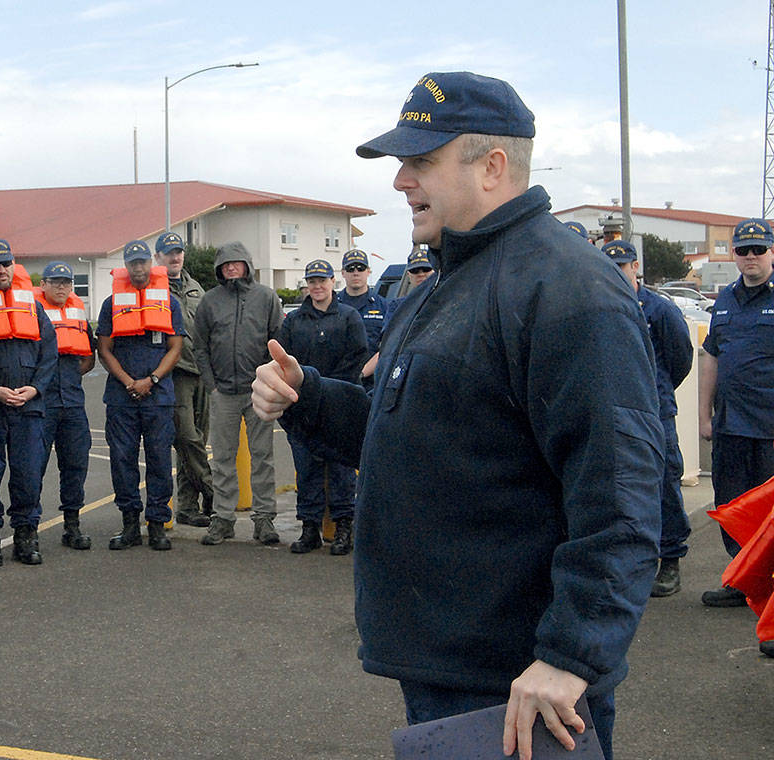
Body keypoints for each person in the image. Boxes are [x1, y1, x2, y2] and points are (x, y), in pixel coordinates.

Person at [250, 72, 661, 760]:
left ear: (493, 167)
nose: (400, 182)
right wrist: (309, 397)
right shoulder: (442, 282)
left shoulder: (566, 289)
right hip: (450, 663)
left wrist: (570, 655)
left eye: (421, 162)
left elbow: (621, 494)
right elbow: (413, 434)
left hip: (522, 681)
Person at [603, 240, 694, 597]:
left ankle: (670, 560)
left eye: (623, 266)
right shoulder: (605, 305)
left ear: (635, 266)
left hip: (655, 412)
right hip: (620, 413)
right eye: (611, 267)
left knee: (665, 485)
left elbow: (680, 357)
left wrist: (659, 392)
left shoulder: (659, 309)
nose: (618, 272)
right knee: (624, 490)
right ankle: (635, 565)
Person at [0, 240, 57, 567]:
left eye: (6, 263)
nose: (1, 270)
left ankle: (26, 533)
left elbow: (49, 353)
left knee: (28, 473)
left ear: (14, 264)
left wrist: (35, 388)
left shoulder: (33, 305)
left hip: (29, 406)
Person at [698, 218, 774, 608]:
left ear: (771, 252)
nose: (750, 258)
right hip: (731, 424)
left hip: (769, 428)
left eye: (758, 250)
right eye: (742, 251)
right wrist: (704, 417)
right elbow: (711, 357)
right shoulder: (724, 300)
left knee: (769, 513)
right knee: (732, 506)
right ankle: (744, 579)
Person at [275, 259, 368, 555]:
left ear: (332, 282)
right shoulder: (293, 321)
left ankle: (343, 527)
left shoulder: (349, 316)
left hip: (339, 405)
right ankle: (309, 528)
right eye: (312, 281)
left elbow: (357, 357)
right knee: (306, 469)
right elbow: (284, 360)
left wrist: (330, 390)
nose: (317, 286)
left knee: (341, 469)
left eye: (322, 280)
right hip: (303, 406)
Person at [194, 241, 284, 546]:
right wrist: (212, 385)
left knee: (263, 456)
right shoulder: (209, 301)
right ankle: (223, 517)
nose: (231, 267)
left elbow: (277, 342)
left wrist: (270, 381)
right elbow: (200, 347)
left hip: (258, 390)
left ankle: (264, 519)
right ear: (219, 269)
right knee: (222, 458)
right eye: (225, 264)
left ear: (247, 265)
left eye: (237, 262)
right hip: (223, 393)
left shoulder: (267, 298)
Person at [96, 241, 184, 551]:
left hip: (159, 396)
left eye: (143, 262)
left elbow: (176, 347)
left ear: (151, 263)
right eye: (132, 262)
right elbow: (104, 349)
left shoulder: (170, 303)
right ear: (126, 265)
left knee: (160, 459)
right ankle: (130, 524)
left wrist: (153, 379)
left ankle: (157, 524)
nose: (138, 268)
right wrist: (129, 382)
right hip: (122, 398)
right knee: (122, 461)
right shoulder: (110, 304)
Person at [35, 261, 96, 550]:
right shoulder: (31, 311)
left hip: (72, 401)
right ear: (43, 284)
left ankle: (72, 525)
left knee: (75, 464)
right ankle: (28, 529)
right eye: (55, 281)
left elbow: (89, 357)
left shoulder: (77, 312)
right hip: (41, 403)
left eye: (66, 282)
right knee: (33, 467)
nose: (61, 287)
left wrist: (68, 378)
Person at [154, 232, 213, 527]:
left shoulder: (195, 287)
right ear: (158, 258)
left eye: (178, 252)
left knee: (199, 439)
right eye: (168, 253)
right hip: (175, 373)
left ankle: (188, 508)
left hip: (203, 371)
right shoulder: (153, 289)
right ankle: (214, 493)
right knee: (187, 438)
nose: (175, 257)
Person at [335, 248, 391, 390]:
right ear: (343, 273)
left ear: (368, 271)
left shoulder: (384, 306)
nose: (355, 273)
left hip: (373, 383)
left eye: (360, 268)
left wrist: (362, 372)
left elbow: (388, 346)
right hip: (338, 381)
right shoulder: (332, 305)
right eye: (350, 268)